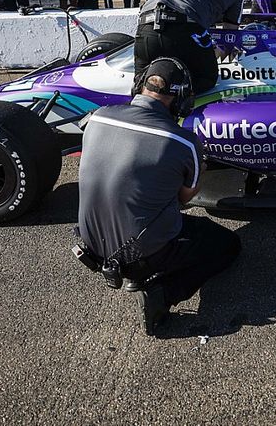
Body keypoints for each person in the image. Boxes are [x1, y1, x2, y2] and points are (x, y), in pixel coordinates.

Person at [76, 57, 241, 335]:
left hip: (90, 244)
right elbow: (186, 198)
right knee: (227, 244)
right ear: (179, 100)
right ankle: (162, 294)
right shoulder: (183, 142)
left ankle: (135, 271)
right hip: (141, 252)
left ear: (139, 86)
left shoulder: (98, 116)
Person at [134, 0, 243, 95]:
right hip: (184, 26)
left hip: (146, 21)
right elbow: (229, 38)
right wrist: (215, 52)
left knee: (140, 82)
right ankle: (176, 105)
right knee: (206, 79)